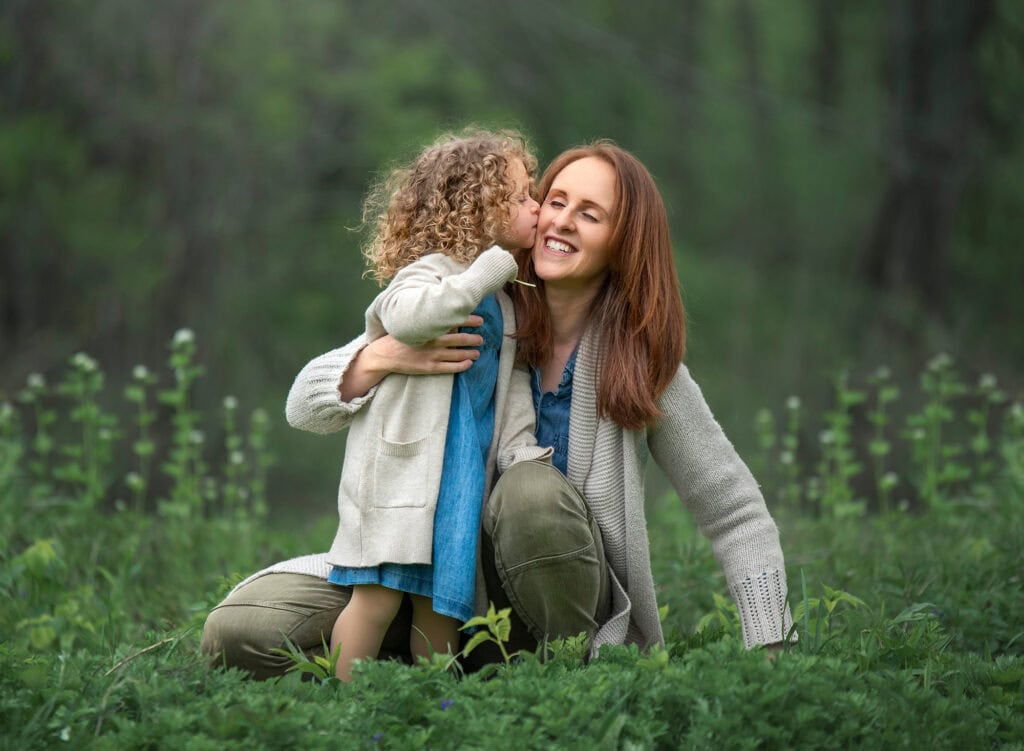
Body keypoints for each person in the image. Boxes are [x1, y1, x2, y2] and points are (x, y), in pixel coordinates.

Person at [200, 140, 792, 679]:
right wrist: (384, 355)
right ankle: (412, 680)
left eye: (590, 213)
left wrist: (770, 645)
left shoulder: (639, 366)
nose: (560, 220)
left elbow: (733, 510)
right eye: (553, 200)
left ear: (624, 243)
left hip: (549, 619)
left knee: (528, 490)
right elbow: (305, 403)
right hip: (428, 571)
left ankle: (568, 681)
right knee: (240, 631)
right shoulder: (469, 310)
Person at [291, 129, 549, 681]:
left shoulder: (505, 301)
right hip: (400, 476)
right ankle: (343, 711)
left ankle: (432, 712)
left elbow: (513, 389)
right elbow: (406, 320)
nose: (536, 207)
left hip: (457, 479)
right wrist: (488, 267)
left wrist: (523, 450)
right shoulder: (431, 273)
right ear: (480, 206)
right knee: (377, 600)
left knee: (442, 608)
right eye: (524, 195)